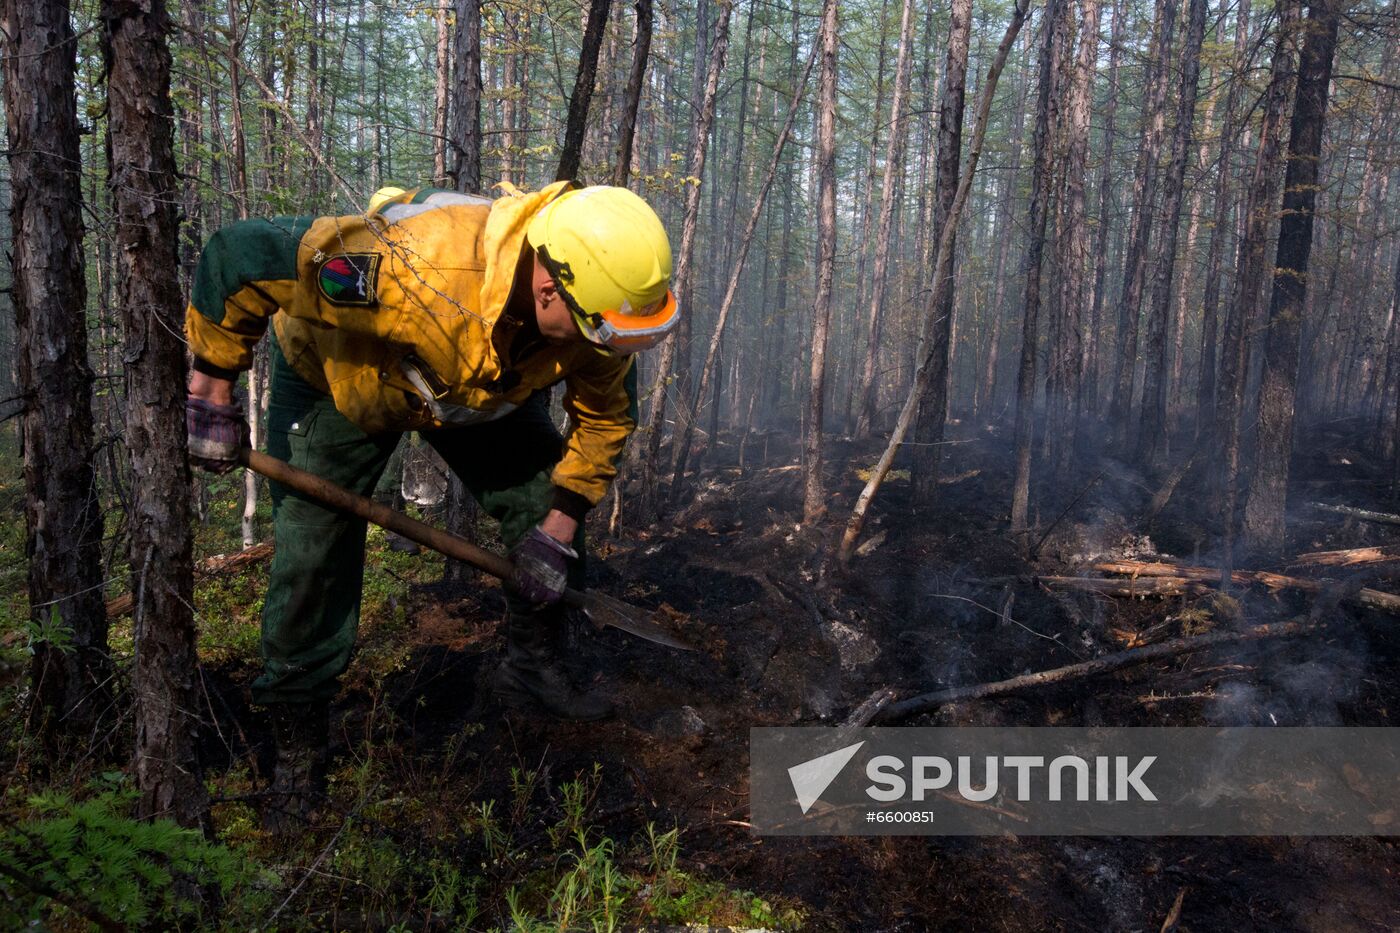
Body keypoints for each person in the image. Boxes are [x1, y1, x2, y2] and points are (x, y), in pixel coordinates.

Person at [183, 181, 676, 828]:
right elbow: (240, 256)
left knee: (547, 513)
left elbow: (606, 418)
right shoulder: (411, 271)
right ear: (550, 287)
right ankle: (298, 741)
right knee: (312, 560)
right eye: (605, 333)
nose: (612, 350)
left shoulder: (601, 309)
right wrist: (211, 386)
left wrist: (556, 531)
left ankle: (533, 670)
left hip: (478, 393)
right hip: (343, 382)